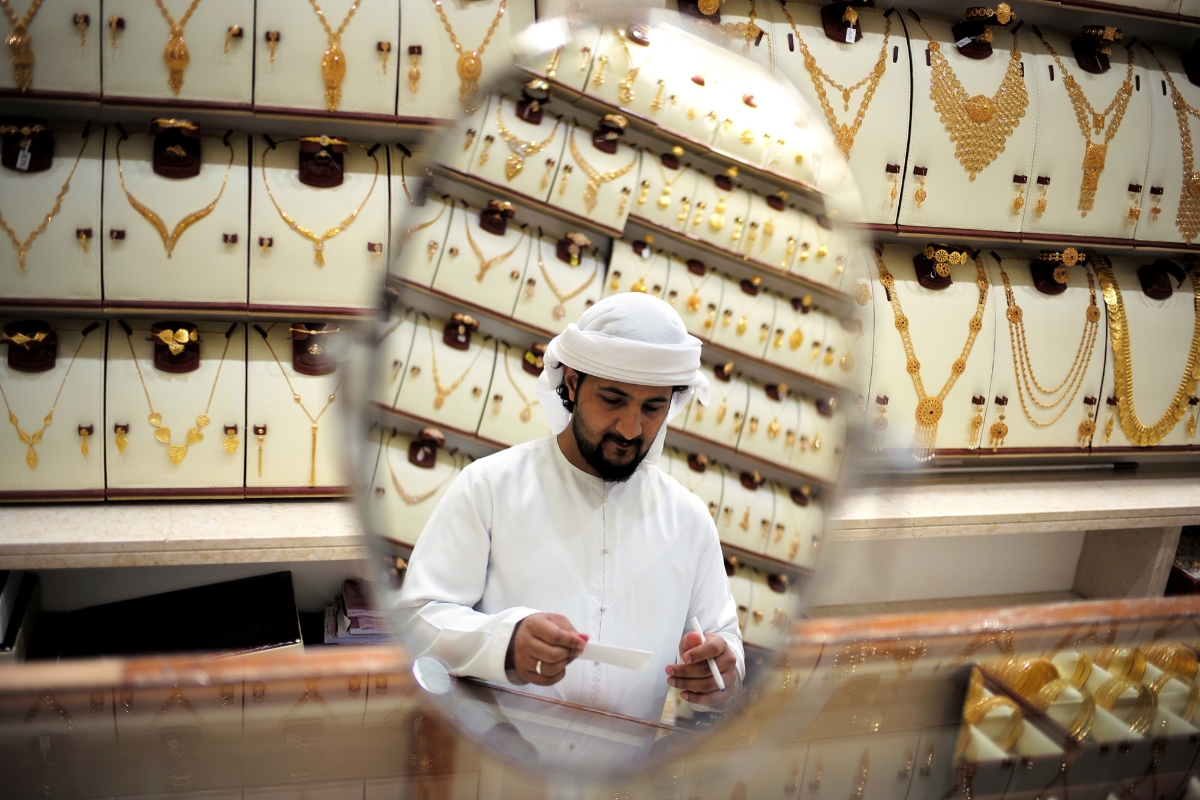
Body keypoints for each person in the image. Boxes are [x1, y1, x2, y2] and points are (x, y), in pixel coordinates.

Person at [395, 293, 744, 722]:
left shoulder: (688, 519)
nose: (631, 428)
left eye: (653, 407)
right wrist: (505, 641)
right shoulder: (489, 486)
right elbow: (417, 622)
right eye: (613, 400)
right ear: (573, 384)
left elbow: (724, 640)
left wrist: (723, 669)